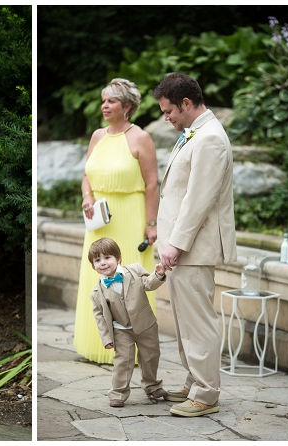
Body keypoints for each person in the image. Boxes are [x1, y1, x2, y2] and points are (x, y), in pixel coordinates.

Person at [153, 72, 236, 417]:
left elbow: (198, 200)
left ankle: (206, 395)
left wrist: (175, 245)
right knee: (185, 321)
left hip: (191, 247)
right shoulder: (194, 133)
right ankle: (193, 383)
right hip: (181, 247)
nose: (166, 117)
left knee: (198, 321)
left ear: (187, 104)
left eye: (169, 110)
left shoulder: (210, 139)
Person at [73, 78, 160, 365]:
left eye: (111, 101)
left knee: (129, 284)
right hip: (99, 219)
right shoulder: (97, 136)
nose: (104, 105)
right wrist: (87, 196)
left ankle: (132, 349)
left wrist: (151, 223)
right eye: (104, 100)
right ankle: (95, 344)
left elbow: (151, 184)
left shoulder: (140, 138)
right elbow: (87, 175)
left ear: (128, 106)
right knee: (98, 279)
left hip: (129, 216)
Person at [87, 237, 170, 408]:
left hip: (145, 325)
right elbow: (100, 317)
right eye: (97, 260)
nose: (102, 263)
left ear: (118, 258)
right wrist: (106, 338)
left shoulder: (134, 271)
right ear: (93, 265)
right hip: (121, 329)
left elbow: (149, 284)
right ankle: (118, 393)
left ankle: (152, 385)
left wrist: (159, 274)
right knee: (123, 361)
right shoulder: (97, 293)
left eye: (107, 257)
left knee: (150, 356)